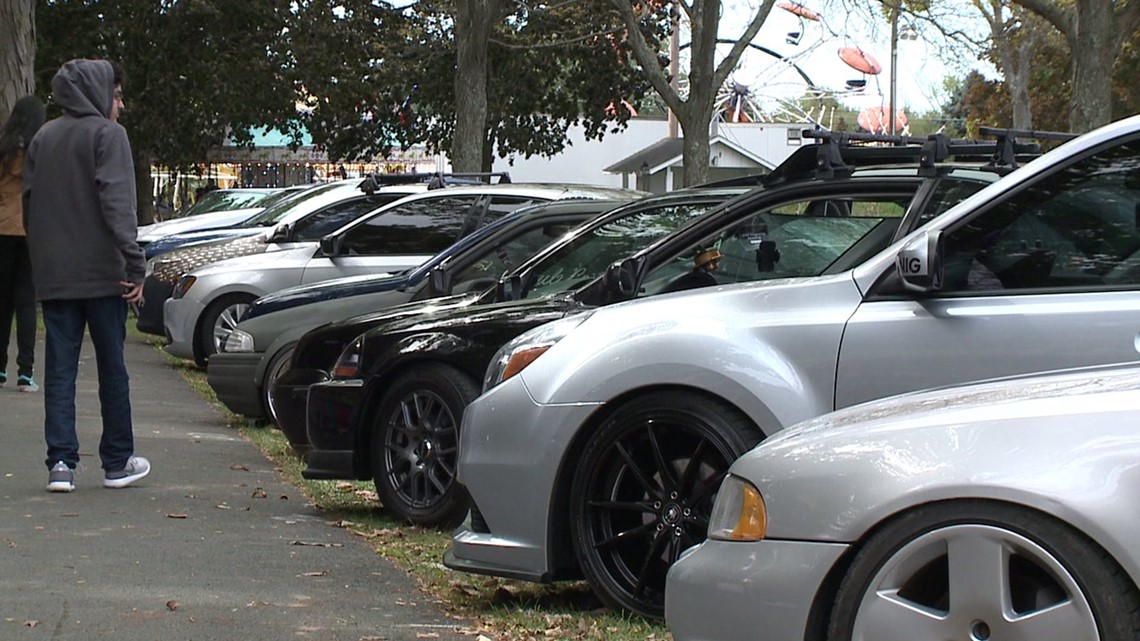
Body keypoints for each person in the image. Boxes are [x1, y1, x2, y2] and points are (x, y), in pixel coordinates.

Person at [22, 59, 150, 493]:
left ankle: (61, 463)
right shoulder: (108, 136)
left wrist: (42, 260)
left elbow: (29, 205)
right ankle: (117, 462)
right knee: (113, 367)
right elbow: (117, 205)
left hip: (57, 275)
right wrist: (135, 264)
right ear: (98, 94)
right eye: (116, 95)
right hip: (104, 275)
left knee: (59, 369)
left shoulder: (43, 136)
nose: (121, 104)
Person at [0, 95, 45, 393]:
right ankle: (25, 372)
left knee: (2, 301)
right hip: (30, 229)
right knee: (26, 301)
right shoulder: (38, 151)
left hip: (2, 228)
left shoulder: (3, 149)